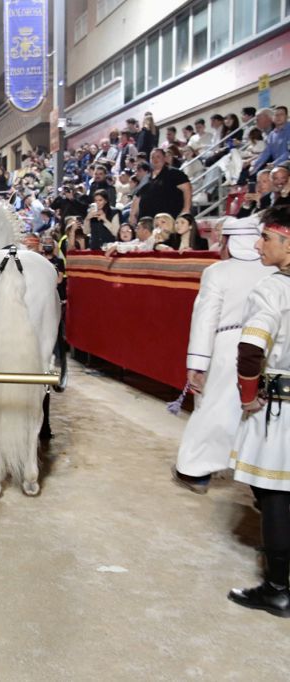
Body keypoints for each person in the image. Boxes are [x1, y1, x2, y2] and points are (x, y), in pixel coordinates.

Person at [173, 217, 273, 493]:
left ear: (231, 241)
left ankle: (194, 470)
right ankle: (260, 479)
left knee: (215, 409)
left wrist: (197, 364)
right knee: (261, 413)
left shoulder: (218, 272)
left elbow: (205, 320)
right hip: (269, 347)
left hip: (229, 348)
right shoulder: (273, 272)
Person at [228, 204, 290, 617]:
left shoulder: (272, 289)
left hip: (282, 411)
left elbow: (251, 349)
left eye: (266, 237)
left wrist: (248, 396)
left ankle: (278, 587)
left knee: (276, 496)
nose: (257, 244)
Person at [130, 148, 192, 224]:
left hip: (168, 221)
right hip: (147, 223)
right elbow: (137, 197)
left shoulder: (175, 173)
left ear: (164, 158)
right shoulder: (146, 178)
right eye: (152, 157)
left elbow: (187, 189)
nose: (155, 159)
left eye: (158, 156)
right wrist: (132, 215)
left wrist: (186, 209)